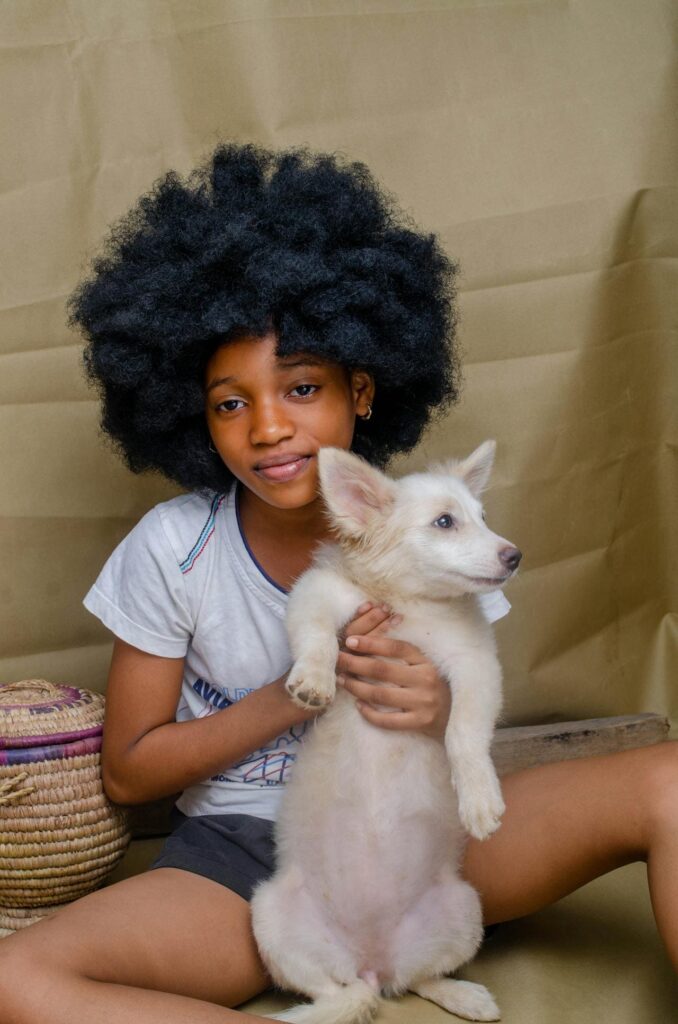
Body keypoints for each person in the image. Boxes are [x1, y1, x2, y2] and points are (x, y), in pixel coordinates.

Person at [0, 143, 675, 1024]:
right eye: (230, 402)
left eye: (303, 386)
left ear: (361, 390)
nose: (269, 429)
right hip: (248, 856)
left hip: (427, 833)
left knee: (669, 780)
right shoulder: (173, 548)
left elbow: (466, 709)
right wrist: (291, 695)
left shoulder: (427, 522)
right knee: (16, 980)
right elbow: (130, 775)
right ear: (195, 418)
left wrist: (433, 708)